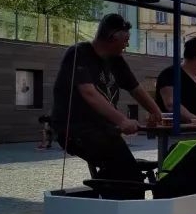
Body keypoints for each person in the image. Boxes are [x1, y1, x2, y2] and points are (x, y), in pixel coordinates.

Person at [51, 13, 164, 195]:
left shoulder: (116, 60)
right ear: (113, 37)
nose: (127, 45)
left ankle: (119, 204)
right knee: (127, 175)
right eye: (125, 40)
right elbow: (89, 93)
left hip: (104, 130)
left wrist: (158, 114)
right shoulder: (78, 53)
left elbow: (136, 89)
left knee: (128, 172)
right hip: (75, 130)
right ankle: (117, 211)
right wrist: (121, 121)